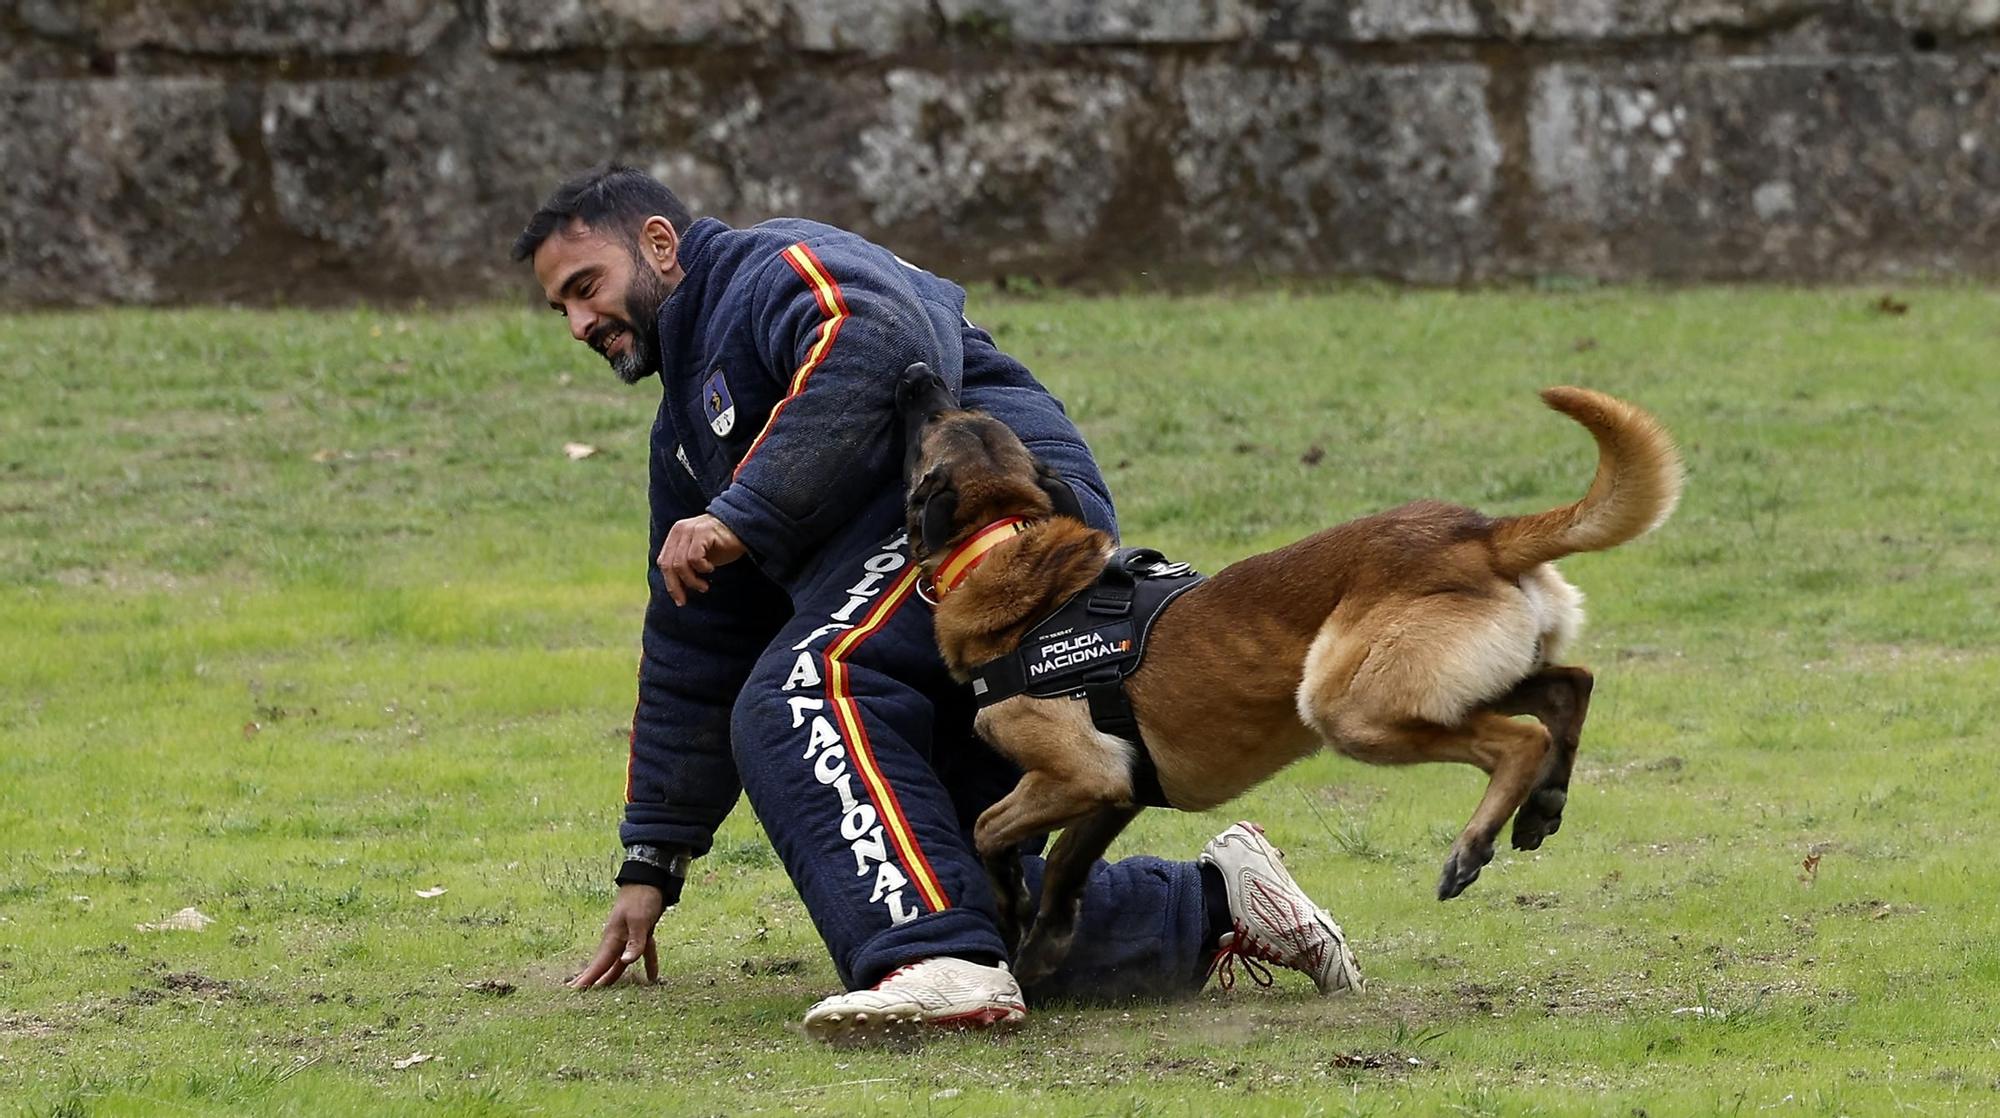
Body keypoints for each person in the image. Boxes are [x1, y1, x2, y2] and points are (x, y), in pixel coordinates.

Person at [511, 165, 1363, 1038]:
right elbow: (696, 644)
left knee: (804, 687)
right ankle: (1217, 902)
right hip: (921, 560)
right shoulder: (684, 439)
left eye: (587, 287)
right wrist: (651, 858)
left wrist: (742, 513)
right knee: (940, 868)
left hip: (990, 515)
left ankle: (937, 965)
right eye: (560, 310)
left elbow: (881, 335)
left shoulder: (774, 267)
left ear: (659, 245)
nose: (580, 324)